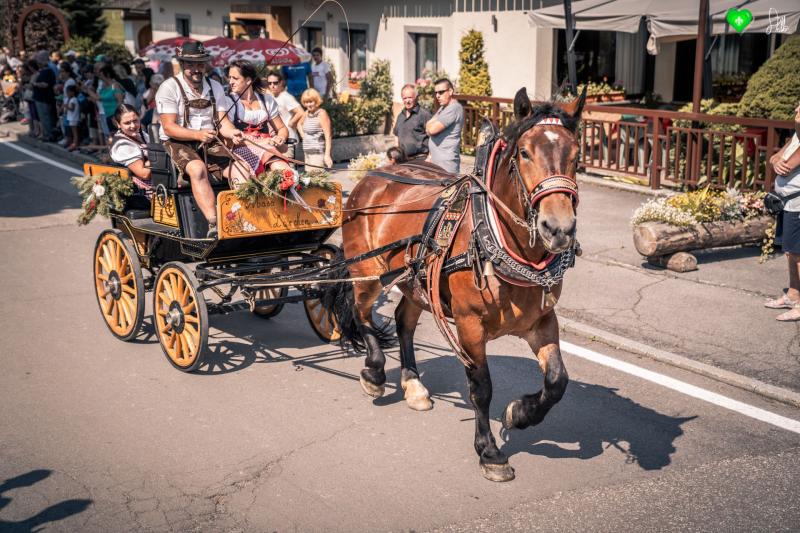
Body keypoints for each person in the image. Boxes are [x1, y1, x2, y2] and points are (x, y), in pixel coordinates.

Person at [155, 41, 243, 238]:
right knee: (198, 169)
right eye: (191, 64)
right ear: (182, 64)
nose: (196, 69)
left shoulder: (216, 87)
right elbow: (169, 127)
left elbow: (222, 122)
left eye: (200, 64)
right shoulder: (169, 87)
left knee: (240, 168)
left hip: (209, 139)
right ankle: (214, 224)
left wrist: (233, 132)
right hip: (178, 140)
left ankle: (243, 215)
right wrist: (197, 134)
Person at [225, 60, 291, 189]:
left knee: (281, 168)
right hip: (242, 150)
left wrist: (280, 138)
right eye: (230, 78)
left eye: (235, 78)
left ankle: (288, 195)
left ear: (248, 80)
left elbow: (282, 128)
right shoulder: (229, 102)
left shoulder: (266, 100)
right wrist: (262, 143)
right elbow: (228, 137)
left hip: (267, 148)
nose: (230, 82)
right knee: (269, 156)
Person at [766, 102, 800, 322]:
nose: (796, 109)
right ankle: (793, 294)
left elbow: (785, 163)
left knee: (798, 253)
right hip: (788, 204)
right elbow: (774, 159)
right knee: (790, 251)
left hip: (798, 204)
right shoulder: (795, 137)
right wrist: (776, 159)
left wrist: (778, 160)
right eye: (796, 107)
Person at [109, 103, 152, 197]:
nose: (133, 125)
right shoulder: (122, 145)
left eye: (135, 121)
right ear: (118, 124)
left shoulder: (142, 135)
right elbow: (144, 174)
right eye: (127, 123)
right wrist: (157, 159)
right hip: (143, 192)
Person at [425, 78, 464, 174]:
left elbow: (431, 130)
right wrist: (430, 156)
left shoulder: (454, 108)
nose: (437, 96)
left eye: (441, 92)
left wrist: (429, 125)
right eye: (436, 93)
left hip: (446, 165)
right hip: (436, 162)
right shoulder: (443, 108)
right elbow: (428, 128)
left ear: (450, 91)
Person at [266, 70, 303, 160]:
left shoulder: (286, 97)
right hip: (275, 140)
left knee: (290, 171)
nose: (272, 86)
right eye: (269, 83)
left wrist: (291, 123)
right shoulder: (269, 97)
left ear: (281, 83)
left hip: (289, 139)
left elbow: (300, 112)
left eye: (275, 83)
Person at [393, 83, 431, 160]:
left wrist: (430, 157)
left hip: (421, 159)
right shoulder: (400, 116)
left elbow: (433, 138)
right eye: (404, 98)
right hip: (404, 159)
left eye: (410, 97)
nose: (407, 101)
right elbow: (396, 136)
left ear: (416, 97)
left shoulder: (424, 115)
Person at [297, 88, 332, 169]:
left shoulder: (321, 114)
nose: (308, 105)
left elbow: (328, 136)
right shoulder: (306, 113)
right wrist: (303, 135)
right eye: (306, 102)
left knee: (317, 180)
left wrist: (327, 155)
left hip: (317, 153)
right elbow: (299, 124)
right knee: (309, 180)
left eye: (310, 101)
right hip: (307, 153)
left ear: (316, 101)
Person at [32, 51, 57, 141]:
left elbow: (46, 84)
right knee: (43, 117)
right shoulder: (42, 71)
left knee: (46, 116)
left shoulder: (48, 71)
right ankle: (46, 134)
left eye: (39, 61)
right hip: (40, 97)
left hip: (45, 97)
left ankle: (49, 134)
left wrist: (35, 84)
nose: (38, 63)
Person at [64, 84, 80, 151]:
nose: (67, 93)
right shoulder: (71, 99)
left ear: (73, 92)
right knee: (73, 132)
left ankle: (75, 144)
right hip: (71, 118)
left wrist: (66, 106)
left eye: (68, 92)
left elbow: (72, 108)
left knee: (74, 132)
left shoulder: (74, 99)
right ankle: (73, 143)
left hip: (74, 118)